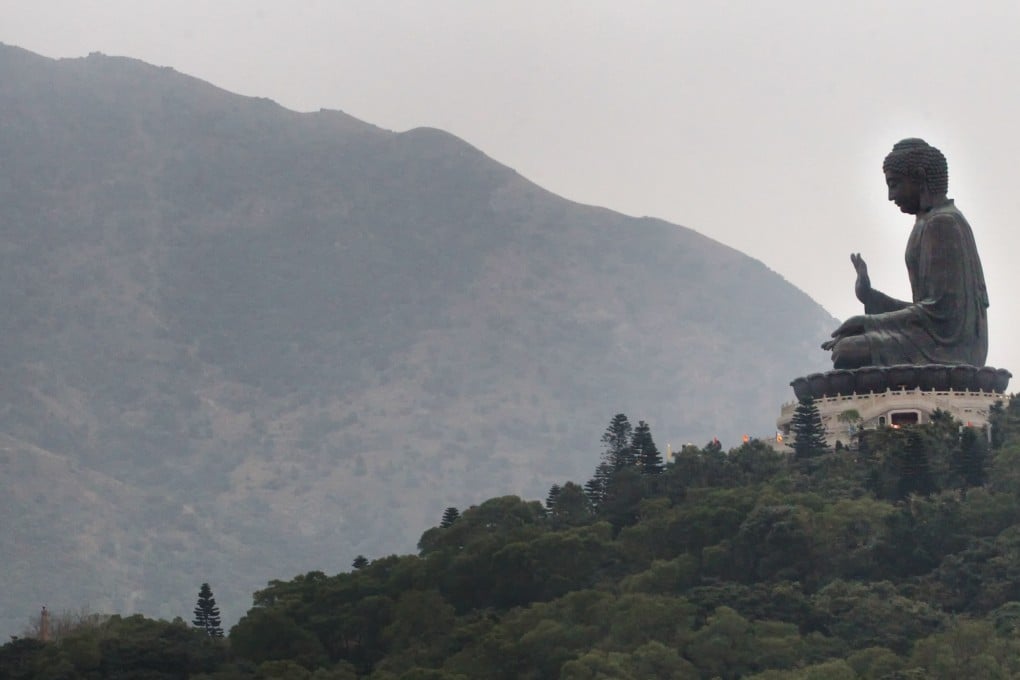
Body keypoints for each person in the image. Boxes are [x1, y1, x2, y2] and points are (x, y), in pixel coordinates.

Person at [822, 138, 988, 369]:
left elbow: (941, 314)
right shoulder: (928, 222)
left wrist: (869, 322)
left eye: (894, 184)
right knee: (847, 348)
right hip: (932, 337)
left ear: (919, 177)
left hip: (950, 348)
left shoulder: (943, 223)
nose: (890, 196)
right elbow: (927, 310)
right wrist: (871, 297)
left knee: (847, 351)